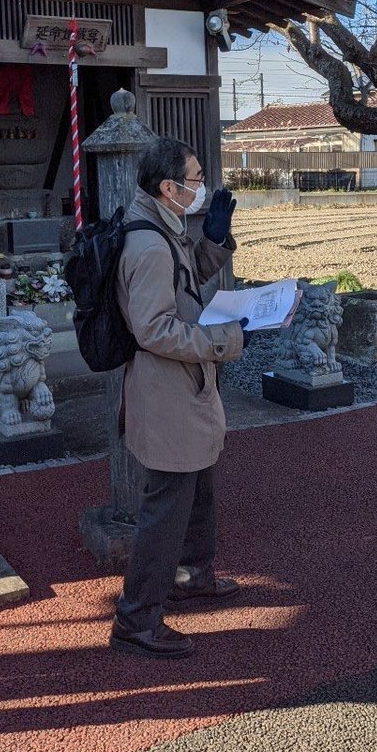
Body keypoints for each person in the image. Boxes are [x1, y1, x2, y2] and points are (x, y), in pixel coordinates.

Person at [110, 136, 245, 660]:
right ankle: (136, 618)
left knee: (199, 484)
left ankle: (192, 573)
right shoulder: (147, 244)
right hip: (167, 389)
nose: (199, 187)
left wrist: (212, 241)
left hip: (182, 386)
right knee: (166, 504)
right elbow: (155, 328)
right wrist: (229, 339)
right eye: (192, 180)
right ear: (168, 188)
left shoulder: (163, 228)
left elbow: (183, 290)